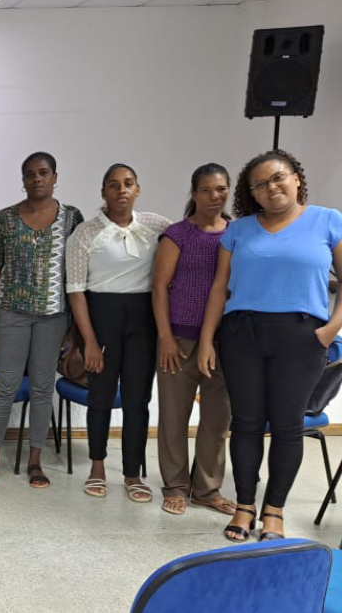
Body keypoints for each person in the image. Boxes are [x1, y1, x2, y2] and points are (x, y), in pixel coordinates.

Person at [199, 149, 342, 542]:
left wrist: (330, 330)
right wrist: (207, 340)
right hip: (241, 334)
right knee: (244, 424)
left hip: (301, 337)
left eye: (278, 177)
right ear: (252, 195)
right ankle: (245, 506)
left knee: (286, 427)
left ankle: (274, 511)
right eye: (260, 184)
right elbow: (218, 288)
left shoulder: (328, 221)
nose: (271, 187)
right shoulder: (239, 230)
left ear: (297, 178)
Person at [0, 151, 83, 487]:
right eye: (29, 174)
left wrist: (75, 329)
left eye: (43, 173)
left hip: (54, 319)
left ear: (54, 177)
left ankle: (35, 461)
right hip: (12, 315)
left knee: (42, 389)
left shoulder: (71, 218)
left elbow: (78, 274)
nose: (36, 179)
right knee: (4, 387)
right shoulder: (6, 218)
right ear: (22, 180)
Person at [67, 164, 171, 502]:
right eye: (113, 185)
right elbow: (76, 291)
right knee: (100, 397)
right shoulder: (85, 233)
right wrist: (91, 342)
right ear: (103, 193)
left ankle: (132, 473)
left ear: (138, 189)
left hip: (143, 321)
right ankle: (97, 466)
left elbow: (191, 241)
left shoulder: (158, 226)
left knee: (138, 401)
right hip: (101, 319)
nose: (121, 190)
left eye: (128, 184)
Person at [152, 164, 235, 517]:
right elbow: (158, 288)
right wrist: (166, 338)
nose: (215, 196)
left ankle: (206, 489)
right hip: (180, 339)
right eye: (207, 190)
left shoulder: (237, 234)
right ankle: (175, 486)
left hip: (223, 342)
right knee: (174, 416)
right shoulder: (178, 235)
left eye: (221, 189)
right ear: (194, 193)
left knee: (217, 420)